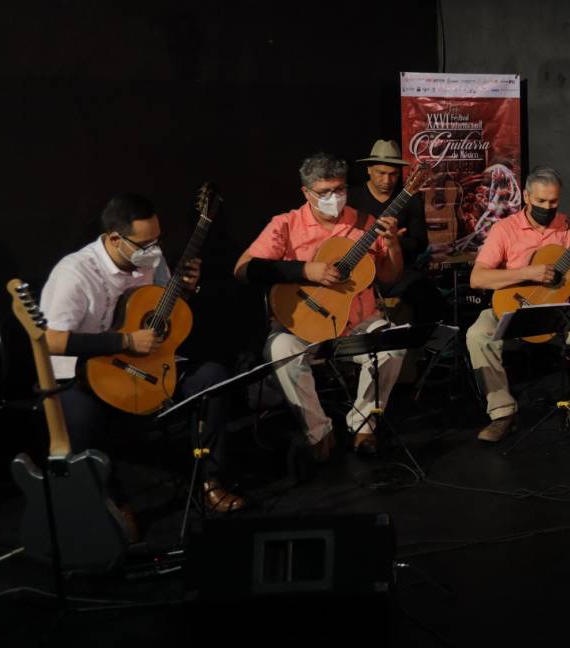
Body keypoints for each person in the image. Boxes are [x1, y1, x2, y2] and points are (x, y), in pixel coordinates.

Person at [39, 192, 244, 532]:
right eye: (144, 243)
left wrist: (186, 291)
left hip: (144, 367)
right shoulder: (74, 274)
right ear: (114, 239)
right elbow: (50, 340)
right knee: (79, 415)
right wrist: (123, 341)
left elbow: (161, 309)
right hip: (82, 375)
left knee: (212, 378)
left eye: (158, 240)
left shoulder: (151, 259)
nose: (154, 250)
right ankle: (114, 504)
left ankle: (210, 481)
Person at [234, 152, 405, 459]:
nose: (333, 198)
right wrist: (305, 270)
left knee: (393, 346)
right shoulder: (286, 224)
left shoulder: (366, 223)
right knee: (280, 349)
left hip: (358, 323)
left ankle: (364, 425)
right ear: (306, 192)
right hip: (305, 325)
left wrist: (392, 244)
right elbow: (243, 269)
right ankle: (318, 432)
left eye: (339, 190)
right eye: (324, 193)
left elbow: (390, 277)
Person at [465, 166, 570, 442]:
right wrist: (527, 273)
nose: (547, 207)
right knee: (477, 334)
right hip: (511, 308)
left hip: (558, 312)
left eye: (553, 202)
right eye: (540, 201)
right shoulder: (505, 229)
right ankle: (502, 414)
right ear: (526, 196)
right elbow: (477, 278)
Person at [348, 139, 447, 325]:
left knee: (426, 294)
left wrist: (395, 241)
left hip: (397, 271)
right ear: (368, 169)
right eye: (381, 173)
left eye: (393, 174)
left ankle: (418, 347)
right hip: (357, 270)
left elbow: (420, 243)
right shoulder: (352, 198)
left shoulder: (410, 198)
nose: (387, 180)